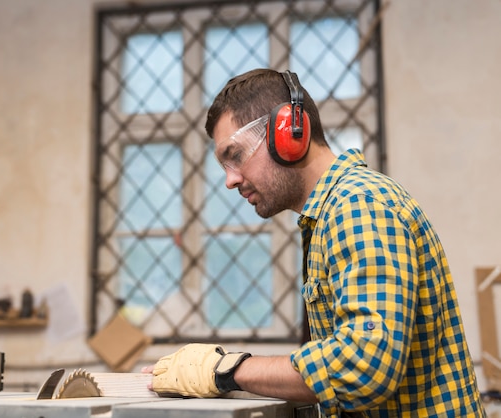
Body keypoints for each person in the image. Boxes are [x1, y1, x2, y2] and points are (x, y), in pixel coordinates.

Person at [143, 68, 486, 417]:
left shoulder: (359, 205)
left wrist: (227, 370)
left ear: (290, 133)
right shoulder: (329, 215)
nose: (230, 180)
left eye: (235, 155)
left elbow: (364, 366)